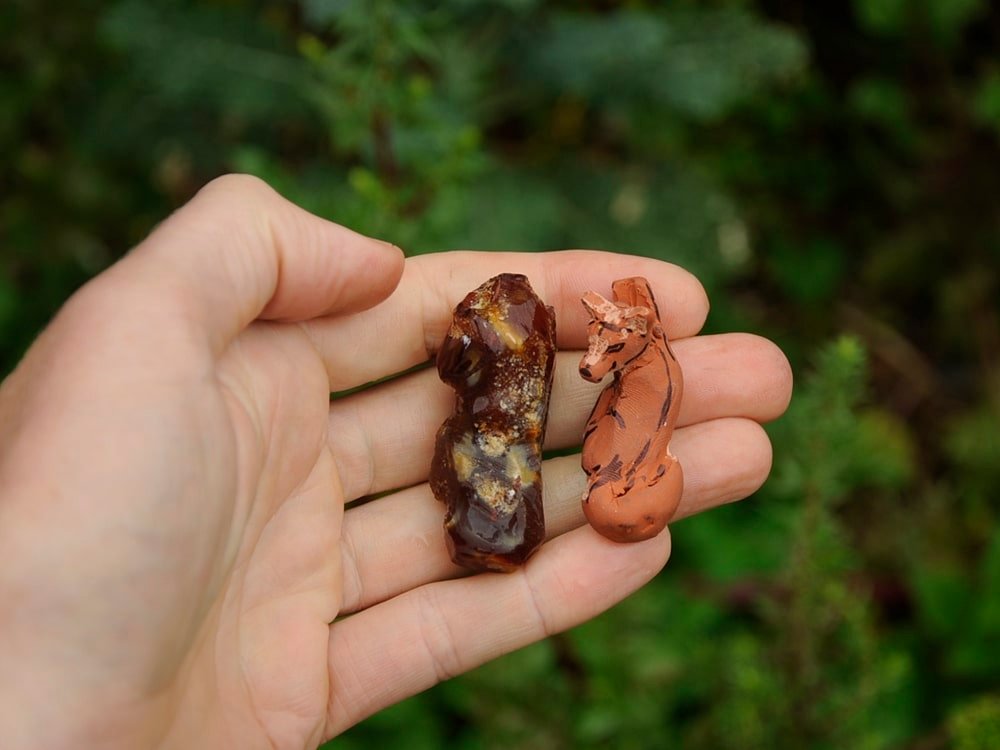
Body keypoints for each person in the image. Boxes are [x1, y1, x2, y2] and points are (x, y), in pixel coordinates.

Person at [0, 175, 792, 749]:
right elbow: (461, 373)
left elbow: (465, 371)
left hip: (503, 486)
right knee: (487, 463)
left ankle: (503, 514)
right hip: (496, 487)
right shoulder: (498, 354)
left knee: (493, 464)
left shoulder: (510, 352)